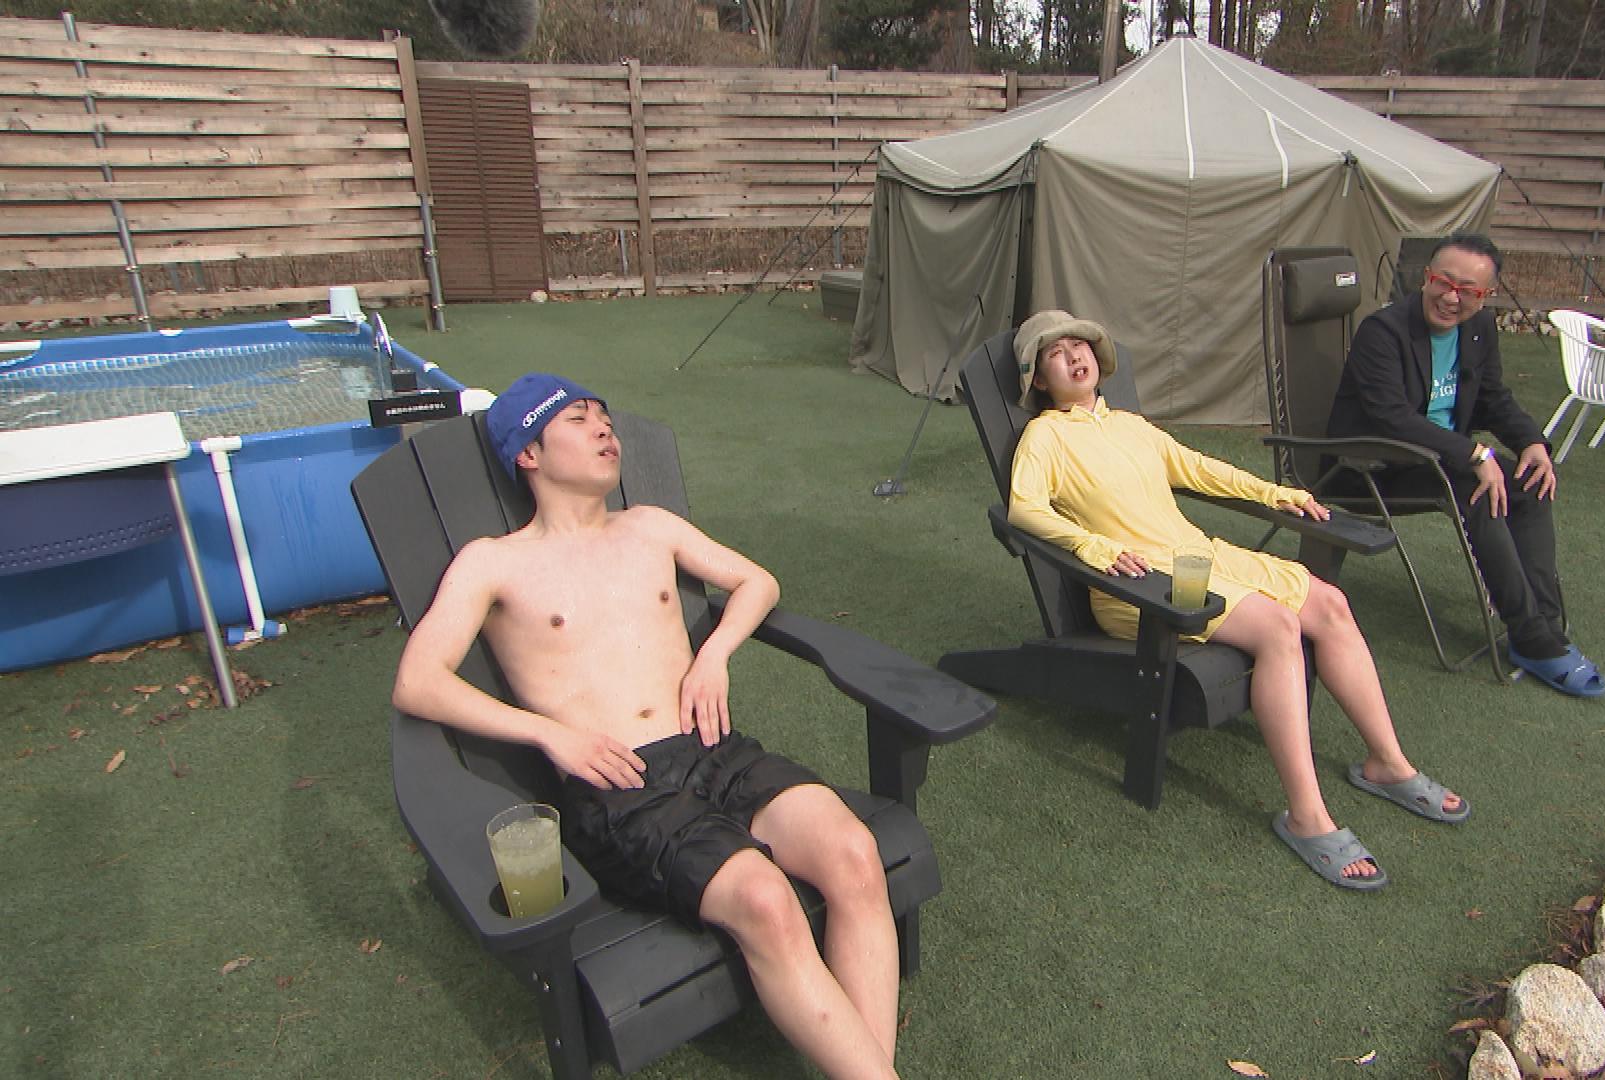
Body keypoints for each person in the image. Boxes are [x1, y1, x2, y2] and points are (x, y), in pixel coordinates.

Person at [392, 374, 903, 1080]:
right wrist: (548, 733)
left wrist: (713, 654)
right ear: (529, 453)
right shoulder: (494, 562)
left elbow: (757, 581)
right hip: (621, 786)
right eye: (578, 419)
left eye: (605, 417)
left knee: (853, 853)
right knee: (767, 901)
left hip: (715, 750)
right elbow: (418, 681)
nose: (605, 428)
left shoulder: (650, 526)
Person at [1006, 310, 1469, 892]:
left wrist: (1273, 493)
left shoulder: (1131, 425)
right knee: (1278, 627)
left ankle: (1387, 763)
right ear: (1039, 380)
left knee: (1330, 605)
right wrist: (1091, 546)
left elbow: (1200, 470)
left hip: (1199, 558)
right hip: (1141, 585)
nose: (1075, 355)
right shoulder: (1045, 436)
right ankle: (1307, 816)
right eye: (1055, 353)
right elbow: (1023, 508)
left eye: (1081, 344)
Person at [1326, 232, 1605, 698]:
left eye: (1468, 291)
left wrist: (1532, 441)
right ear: (1426, 277)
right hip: (1370, 467)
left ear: (1486, 295)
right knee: (1479, 490)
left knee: (1530, 482)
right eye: (1443, 282)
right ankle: (1532, 639)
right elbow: (1390, 417)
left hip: (1441, 461)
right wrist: (1475, 455)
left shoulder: (1478, 330)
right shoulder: (1383, 332)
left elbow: (1493, 397)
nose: (1451, 298)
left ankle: (1544, 623)